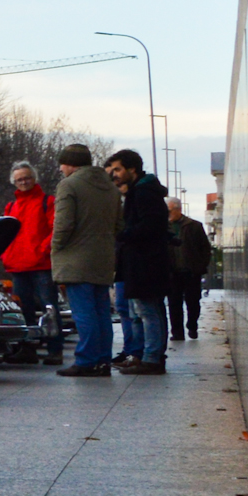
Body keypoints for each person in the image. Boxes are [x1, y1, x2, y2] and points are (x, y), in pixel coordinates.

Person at [51, 144, 122, 377]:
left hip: (76, 259)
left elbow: (63, 224)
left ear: (70, 164)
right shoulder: (111, 188)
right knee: (101, 312)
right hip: (103, 258)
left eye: (62, 164)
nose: (61, 169)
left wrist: (56, 247)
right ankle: (102, 360)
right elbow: (118, 225)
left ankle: (87, 360)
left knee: (83, 312)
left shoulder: (69, 185)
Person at [108, 149, 170, 375]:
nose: (114, 174)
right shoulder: (142, 191)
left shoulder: (143, 192)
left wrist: (122, 234)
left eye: (117, 169)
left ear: (131, 169)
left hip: (146, 261)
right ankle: (148, 356)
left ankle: (152, 358)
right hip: (142, 260)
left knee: (147, 310)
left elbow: (151, 225)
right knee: (144, 310)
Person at [1, 160, 65, 365]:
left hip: (41, 264)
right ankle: (28, 348)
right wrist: (6, 255)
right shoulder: (11, 206)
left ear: (34, 178)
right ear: (14, 182)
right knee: (24, 310)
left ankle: (55, 349)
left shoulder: (48, 201)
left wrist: (42, 250)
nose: (24, 182)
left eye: (27, 178)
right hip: (18, 265)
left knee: (49, 308)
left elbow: (56, 229)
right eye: (19, 179)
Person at [104, 159, 144, 363]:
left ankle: (137, 350)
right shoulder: (116, 201)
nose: (114, 178)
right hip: (120, 260)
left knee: (133, 309)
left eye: (116, 172)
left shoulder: (133, 199)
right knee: (123, 307)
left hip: (131, 261)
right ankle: (131, 348)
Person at [166, 196, 212, 340]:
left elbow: (205, 248)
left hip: (191, 271)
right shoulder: (163, 227)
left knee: (193, 302)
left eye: (169, 211)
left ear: (178, 209)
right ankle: (177, 333)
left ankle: (192, 326)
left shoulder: (194, 226)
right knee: (174, 304)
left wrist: (200, 266)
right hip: (172, 273)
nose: (167, 215)